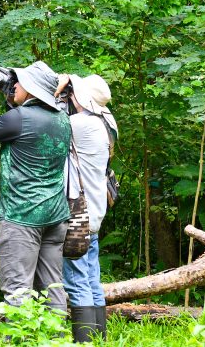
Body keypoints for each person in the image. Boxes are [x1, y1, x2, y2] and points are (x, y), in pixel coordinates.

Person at [0, 61, 71, 314]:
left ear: (32, 88)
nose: (14, 86)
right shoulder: (62, 118)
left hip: (22, 217)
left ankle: (19, 340)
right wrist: (13, 99)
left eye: (20, 83)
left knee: (18, 292)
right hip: (55, 216)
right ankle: (56, 341)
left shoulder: (20, 118)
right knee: (52, 288)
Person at [56, 73, 118, 342]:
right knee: (92, 279)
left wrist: (57, 94)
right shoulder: (106, 123)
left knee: (77, 280)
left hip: (76, 216)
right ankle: (99, 340)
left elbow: (52, 125)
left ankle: (84, 342)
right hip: (94, 213)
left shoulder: (81, 123)